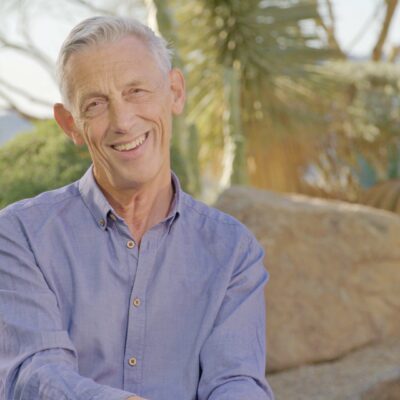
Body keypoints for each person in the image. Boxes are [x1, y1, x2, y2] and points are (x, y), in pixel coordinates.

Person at [0, 16, 274, 400]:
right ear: (70, 125)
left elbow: (236, 381)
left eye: (137, 91)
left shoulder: (232, 250)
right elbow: (33, 373)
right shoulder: (20, 235)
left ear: (175, 92)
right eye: (95, 104)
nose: (124, 121)